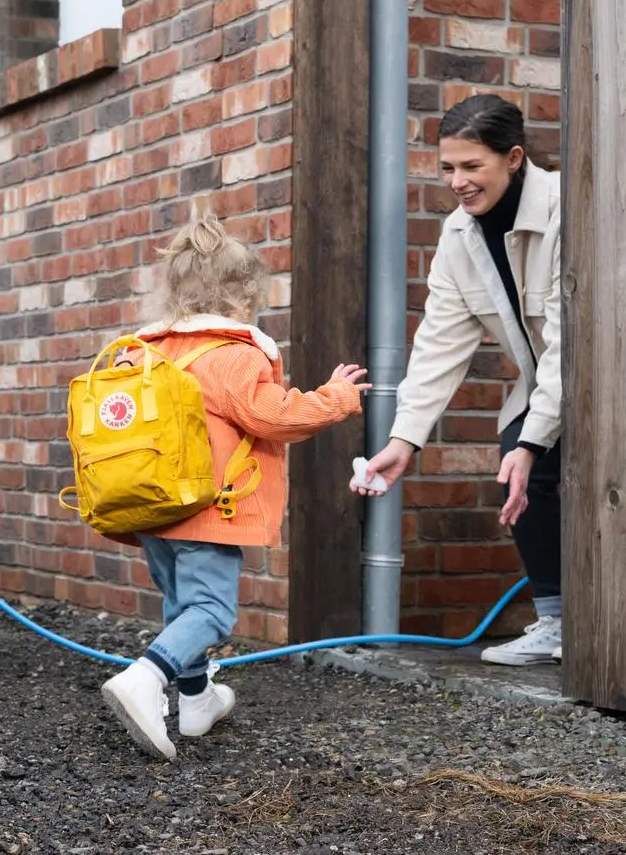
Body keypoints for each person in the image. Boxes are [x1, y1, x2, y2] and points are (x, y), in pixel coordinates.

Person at [99, 211, 368, 761]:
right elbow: (272, 416)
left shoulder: (139, 352)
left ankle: (196, 702)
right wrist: (335, 397)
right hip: (207, 510)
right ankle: (146, 679)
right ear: (244, 298)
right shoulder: (232, 355)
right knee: (212, 612)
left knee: (182, 604)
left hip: (152, 509)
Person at [353, 95, 563, 666]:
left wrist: (533, 441)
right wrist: (404, 440)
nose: (457, 181)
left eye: (472, 166)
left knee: (530, 451)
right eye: (448, 167)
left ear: (514, 157)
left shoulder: (568, 209)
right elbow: (438, 345)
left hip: (600, 373)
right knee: (516, 454)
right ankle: (560, 621)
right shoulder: (459, 236)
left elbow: (578, 347)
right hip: (553, 378)